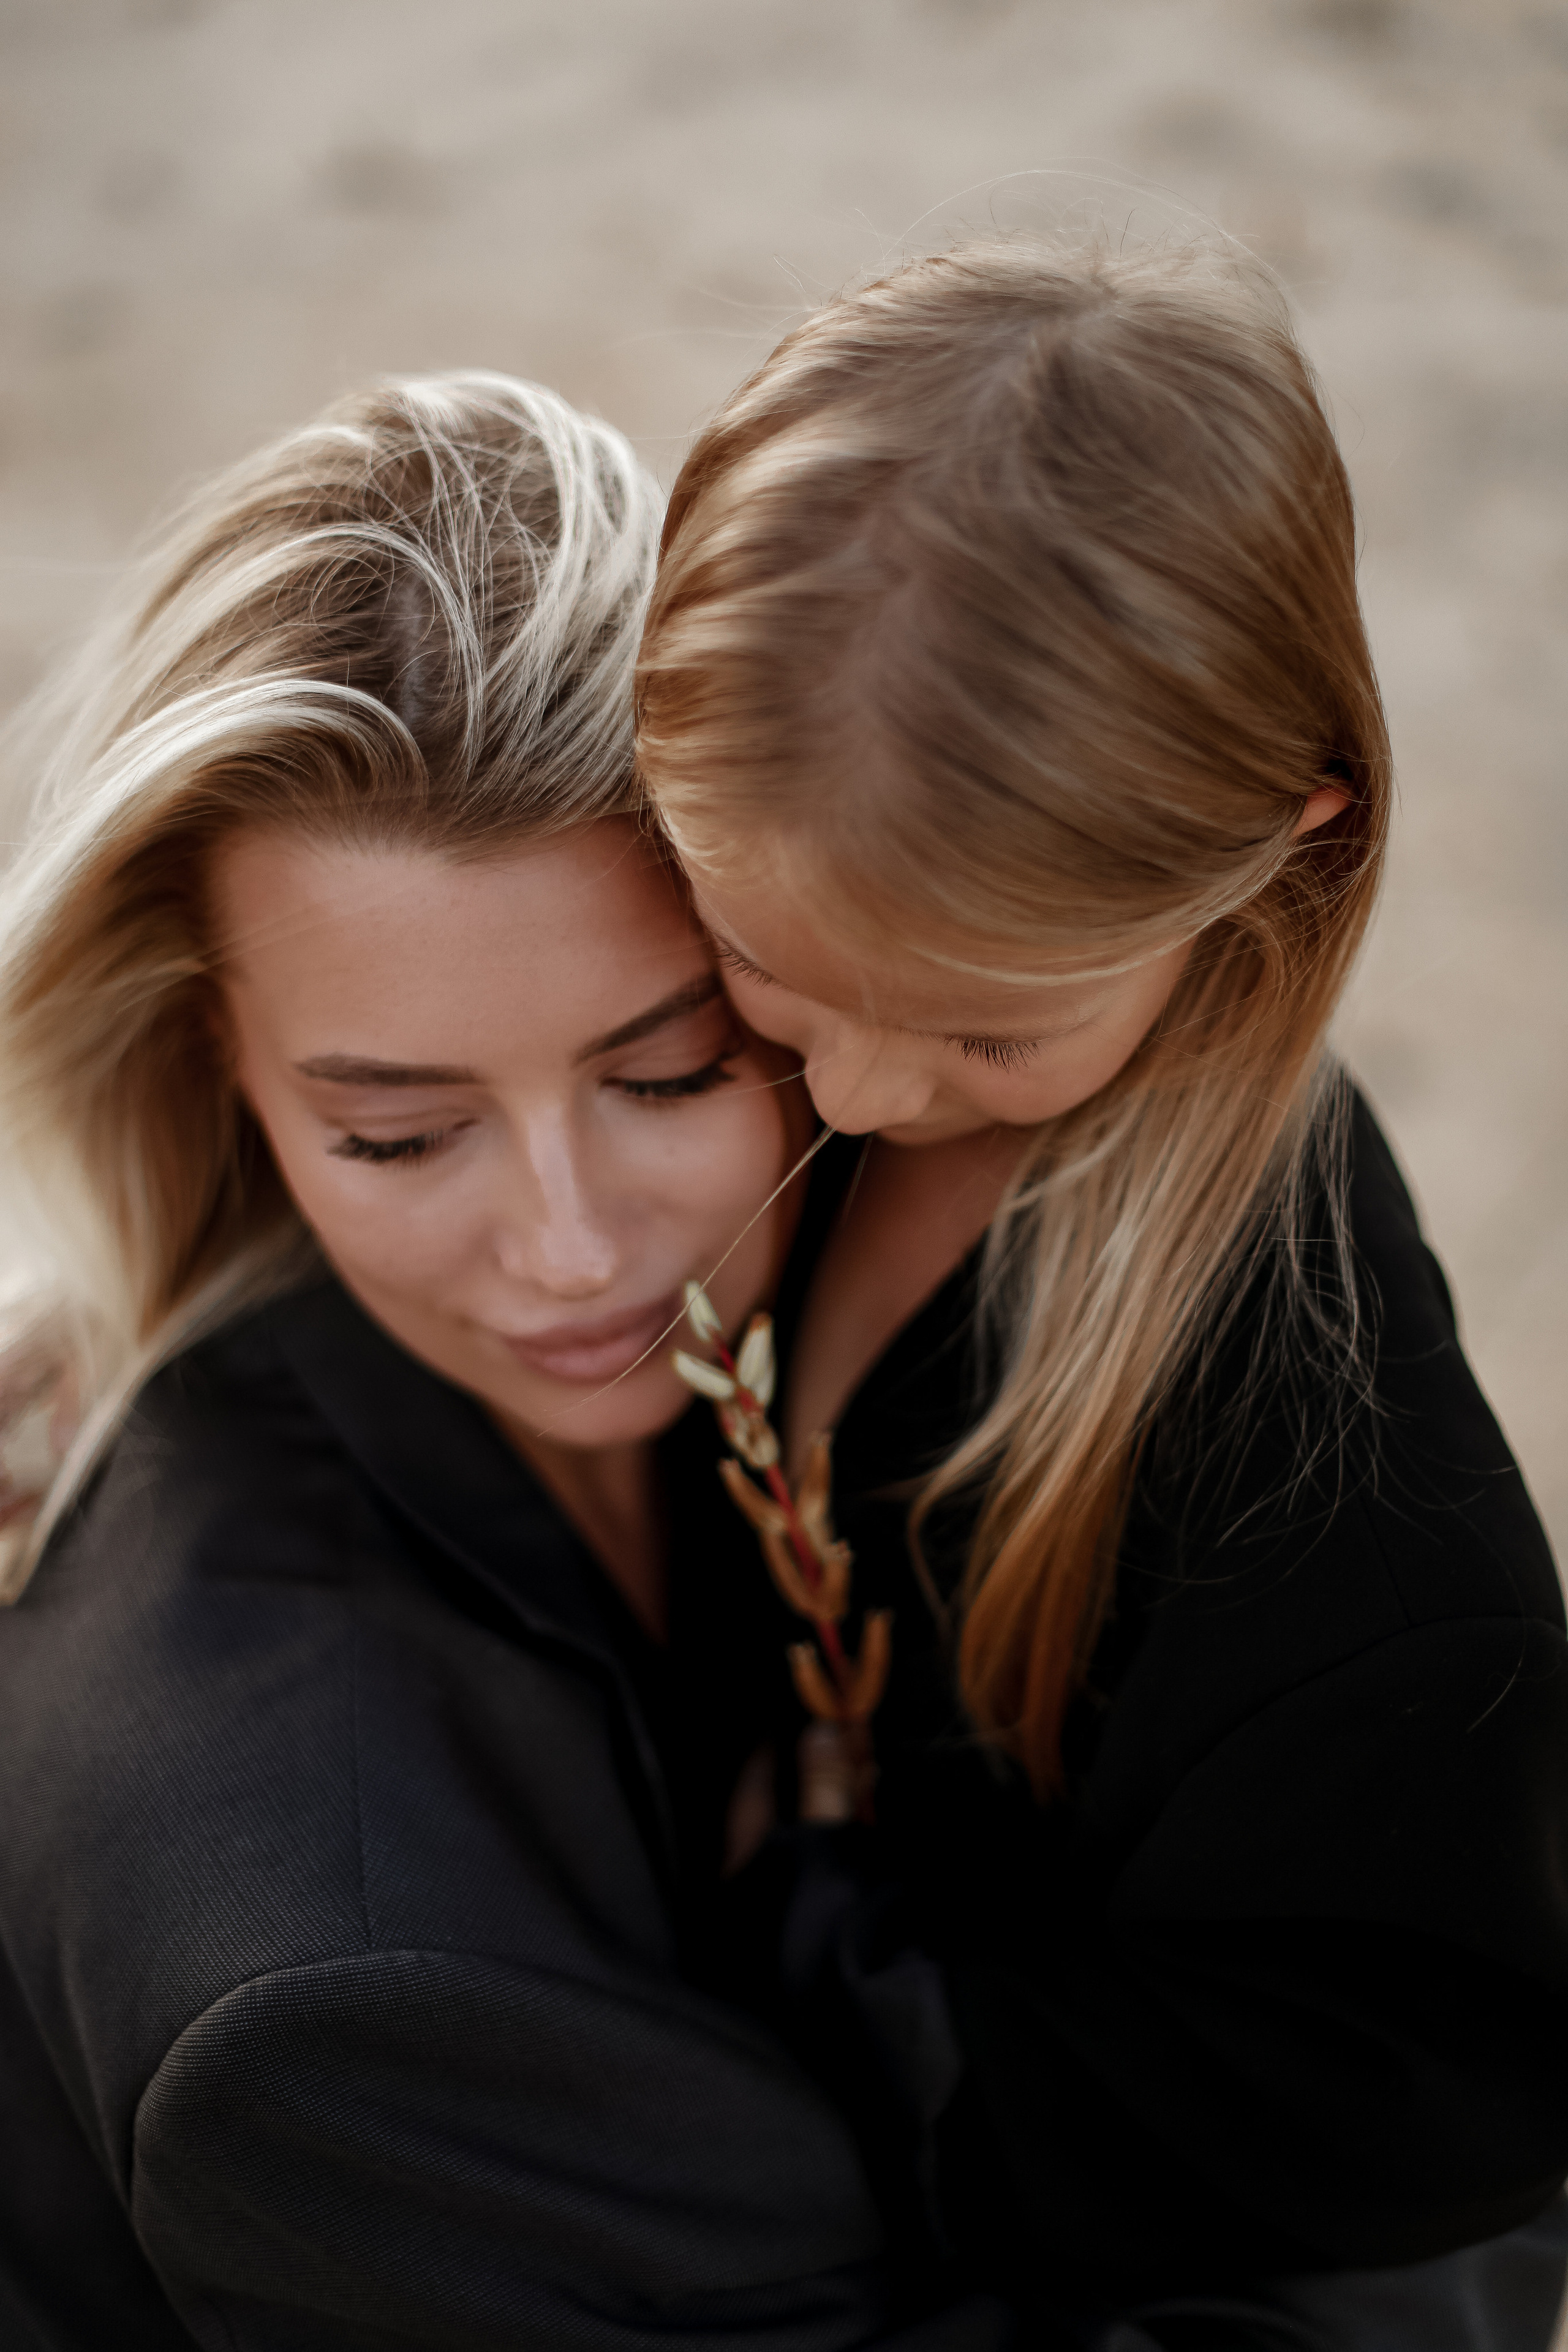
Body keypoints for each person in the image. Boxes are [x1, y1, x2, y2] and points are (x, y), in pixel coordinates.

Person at [0, 374, 1010, 2351]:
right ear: (226, 1067)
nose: (568, 1254)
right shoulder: (335, 1996)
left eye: (667, 1073)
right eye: (395, 1133)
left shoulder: (871, 1316)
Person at [633, 238, 1568, 2348]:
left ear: (1284, 855)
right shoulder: (799, 969)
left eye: (984, 1030)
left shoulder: (1338, 1500)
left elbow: (1433, 2089)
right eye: (770, 961)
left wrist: (841, 1986)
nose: (857, 1087)